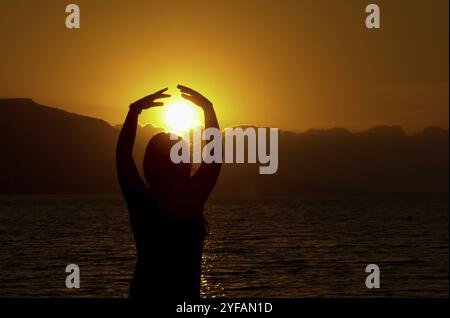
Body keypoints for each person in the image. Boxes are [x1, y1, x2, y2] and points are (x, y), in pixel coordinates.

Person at [116, 85, 221, 300]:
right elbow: (214, 157)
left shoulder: (142, 201)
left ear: (149, 163)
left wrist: (134, 111)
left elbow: (123, 157)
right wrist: (208, 110)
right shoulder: (192, 201)